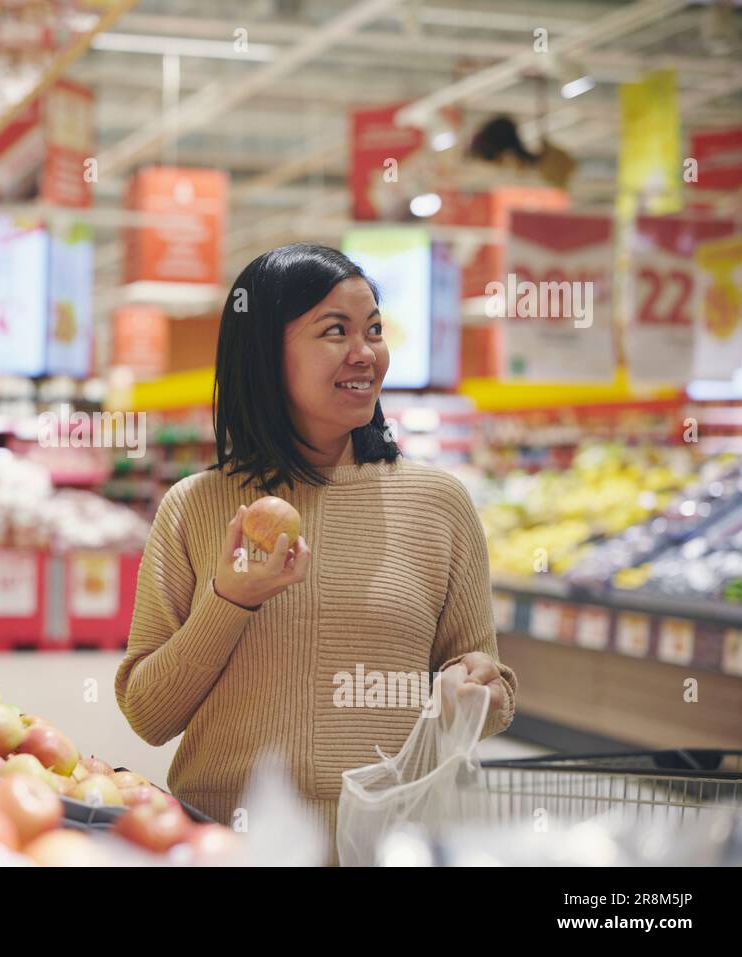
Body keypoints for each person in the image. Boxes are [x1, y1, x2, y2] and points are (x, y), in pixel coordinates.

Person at [115, 243, 517, 862]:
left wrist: (481, 692)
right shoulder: (195, 508)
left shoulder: (438, 503)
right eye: (335, 331)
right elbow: (149, 715)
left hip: (390, 845)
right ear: (263, 354)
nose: (366, 353)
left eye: (374, 330)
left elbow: (484, 687)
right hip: (231, 842)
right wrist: (229, 601)